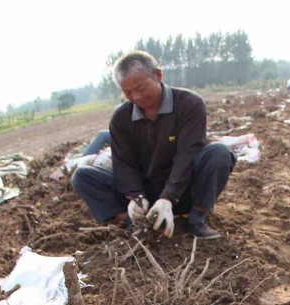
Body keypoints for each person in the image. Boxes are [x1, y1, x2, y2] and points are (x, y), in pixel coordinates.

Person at [72, 51, 235, 240]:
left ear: (158, 76)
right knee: (82, 176)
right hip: (147, 190)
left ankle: (196, 219)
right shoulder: (121, 119)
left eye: (141, 88)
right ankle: (134, 222)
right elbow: (124, 164)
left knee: (219, 153)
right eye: (128, 92)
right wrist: (135, 197)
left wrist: (167, 198)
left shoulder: (189, 105)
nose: (136, 97)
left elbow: (187, 155)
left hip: (184, 188)